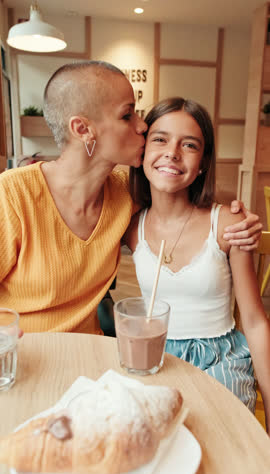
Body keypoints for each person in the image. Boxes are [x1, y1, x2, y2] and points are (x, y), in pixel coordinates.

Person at [0, 61, 262, 334]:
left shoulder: (125, 192)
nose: (142, 126)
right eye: (127, 116)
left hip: (91, 357)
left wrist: (238, 217)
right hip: (23, 357)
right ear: (82, 129)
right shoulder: (11, 195)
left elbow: (181, 189)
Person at [124, 97, 270, 432]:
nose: (173, 153)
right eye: (160, 139)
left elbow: (254, 321)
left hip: (220, 359)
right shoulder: (131, 225)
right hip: (153, 355)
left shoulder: (228, 222)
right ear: (142, 153)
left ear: (203, 163)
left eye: (189, 145)